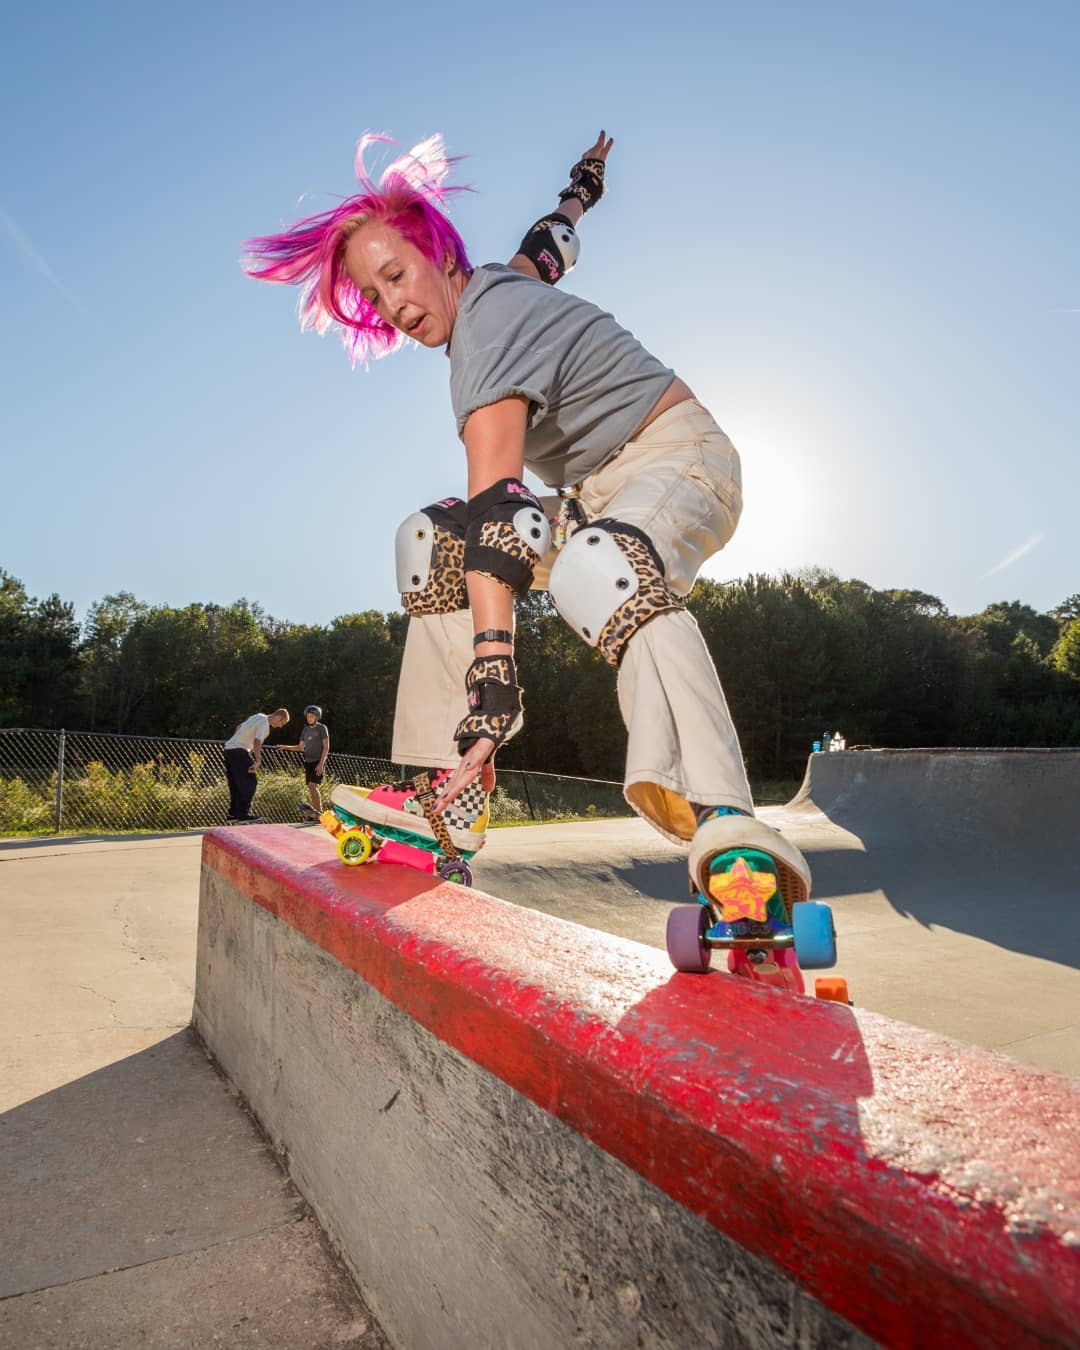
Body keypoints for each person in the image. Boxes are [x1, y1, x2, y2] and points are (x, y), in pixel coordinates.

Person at [243, 132, 812, 930]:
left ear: (442, 254)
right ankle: (451, 794)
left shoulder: (487, 332)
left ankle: (725, 818)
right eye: (374, 296)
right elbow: (553, 242)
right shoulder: (506, 280)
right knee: (428, 543)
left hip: (682, 457)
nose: (394, 306)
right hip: (595, 492)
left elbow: (500, 519)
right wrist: (584, 185)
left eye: (397, 274)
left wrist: (494, 675)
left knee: (597, 564)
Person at [224, 708, 289, 822]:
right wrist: (258, 761)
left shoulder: (258, 716)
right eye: (281, 723)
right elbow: (257, 741)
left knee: (235, 784)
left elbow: (239, 726)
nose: (280, 726)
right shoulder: (265, 724)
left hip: (229, 749)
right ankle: (243, 814)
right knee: (250, 782)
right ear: (278, 717)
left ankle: (233, 814)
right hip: (239, 750)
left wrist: (236, 739)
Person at [278, 705, 330, 817]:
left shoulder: (322, 728)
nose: (309, 718)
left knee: (313, 786)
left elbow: (326, 747)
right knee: (311, 789)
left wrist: (321, 764)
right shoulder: (305, 730)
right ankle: (317, 815)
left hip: (318, 761)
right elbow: (300, 747)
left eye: (312, 716)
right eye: (308, 716)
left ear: (317, 717)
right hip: (308, 762)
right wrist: (285, 747)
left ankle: (320, 813)